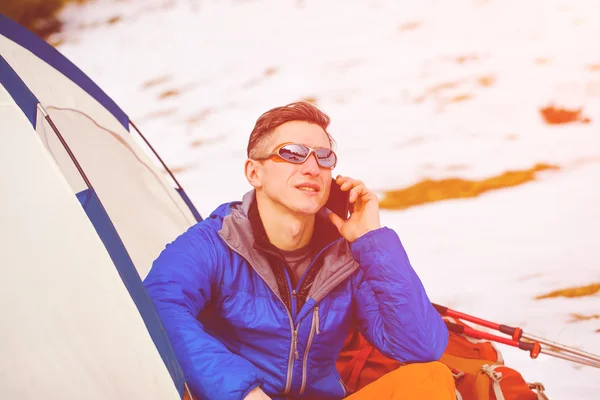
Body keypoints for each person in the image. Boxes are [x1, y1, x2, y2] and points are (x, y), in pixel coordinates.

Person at [144, 102, 454, 400]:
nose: (312, 168)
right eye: (292, 153)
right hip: (244, 395)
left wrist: (371, 239)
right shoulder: (216, 242)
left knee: (429, 377)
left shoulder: (346, 255)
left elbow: (421, 347)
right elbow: (157, 304)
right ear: (254, 173)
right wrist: (240, 391)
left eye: (324, 157)